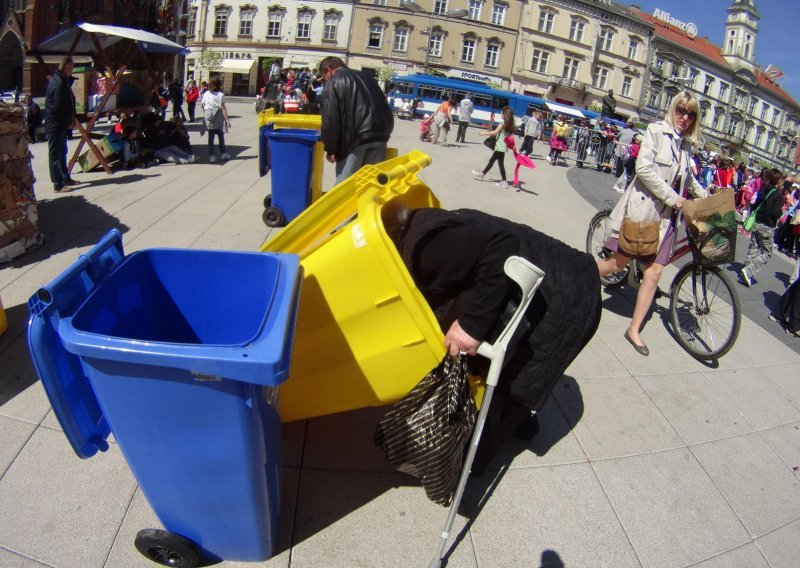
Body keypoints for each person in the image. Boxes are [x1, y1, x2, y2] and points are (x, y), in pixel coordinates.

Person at [383, 201, 601, 473]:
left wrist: (471, 325)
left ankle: (469, 464)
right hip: (560, 278)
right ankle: (521, 424)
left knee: (513, 381)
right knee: (518, 366)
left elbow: (501, 246)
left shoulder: (424, 247)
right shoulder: (424, 224)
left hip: (566, 298)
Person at [596, 90, 707, 356]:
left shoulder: (686, 144)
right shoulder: (656, 131)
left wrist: (708, 199)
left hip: (668, 219)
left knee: (654, 273)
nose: (685, 117)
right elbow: (643, 169)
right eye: (681, 110)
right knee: (617, 263)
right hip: (645, 212)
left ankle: (633, 329)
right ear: (673, 108)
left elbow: (688, 180)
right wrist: (673, 197)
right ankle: (577, 273)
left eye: (691, 113)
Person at [318, 56, 394, 185]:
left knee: (345, 188)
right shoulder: (368, 78)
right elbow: (384, 105)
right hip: (380, 135)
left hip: (354, 140)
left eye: (323, 76)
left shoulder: (334, 82)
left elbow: (330, 120)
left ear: (328, 70)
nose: (325, 80)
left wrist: (331, 150)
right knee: (370, 186)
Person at [739, 168, 786, 287]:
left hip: (756, 222)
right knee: (766, 252)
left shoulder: (763, 190)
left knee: (753, 247)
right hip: (766, 226)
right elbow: (775, 213)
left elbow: (754, 205)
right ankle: (748, 271)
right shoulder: (778, 196)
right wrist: (782, 213)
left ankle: (745, 272)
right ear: (778, 181)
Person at [45, 55, 78, 193]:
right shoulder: (58, 83)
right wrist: (68, 122)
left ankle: (65, 178)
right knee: (55, 156)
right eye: (72, 67)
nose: (73, 70)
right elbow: (59, 107)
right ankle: (58, 184)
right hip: (56, 125)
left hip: (60, 125)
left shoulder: (61, 80)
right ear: (67, 66)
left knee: (62, 152)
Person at [472, 106, 516, 189]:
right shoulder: (510, 124)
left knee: (498, 163)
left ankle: (504, 182)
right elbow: (510, 136)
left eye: (502, 112)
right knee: (493, 161)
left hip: (500, 146)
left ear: (505, 114)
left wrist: (483, 133)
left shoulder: (503, 123)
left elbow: (494, 133)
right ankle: (483, 174)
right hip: (502, 146)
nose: (501, 114)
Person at [201, 77, 231, 163]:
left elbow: (202, 105)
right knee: (220, 136)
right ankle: (223, 153)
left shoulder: (206, 93)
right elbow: (223, 108)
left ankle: (212, 156)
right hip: (218, 118)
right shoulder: (220, 95)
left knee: (211, 138)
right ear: (219, 85)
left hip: (209, 118)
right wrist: (227, 120)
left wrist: (208, 113)